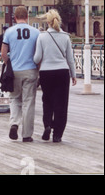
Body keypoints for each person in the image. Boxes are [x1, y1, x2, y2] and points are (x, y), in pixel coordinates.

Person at [33, 9, 76, 143]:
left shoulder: (42, 36)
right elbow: (70, 59)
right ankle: (57, 134)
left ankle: (47, 125)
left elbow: (37, 58)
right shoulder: (65, 37)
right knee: (61, 104)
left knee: (48, 101)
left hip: (46, 72)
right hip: (62, 72)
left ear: (47, 22)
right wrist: (73, 75)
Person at [1, 6, 40, 142]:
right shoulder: (36, 32)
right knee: (28, 102)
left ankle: (14, 123)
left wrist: (8, 65)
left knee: (14, 99)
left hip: (15, 71)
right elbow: (39, 54)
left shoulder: (9, 32)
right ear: (27, 16)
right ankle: (27, 134)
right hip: (30, 70)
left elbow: (3, 53)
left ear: (15, 17)